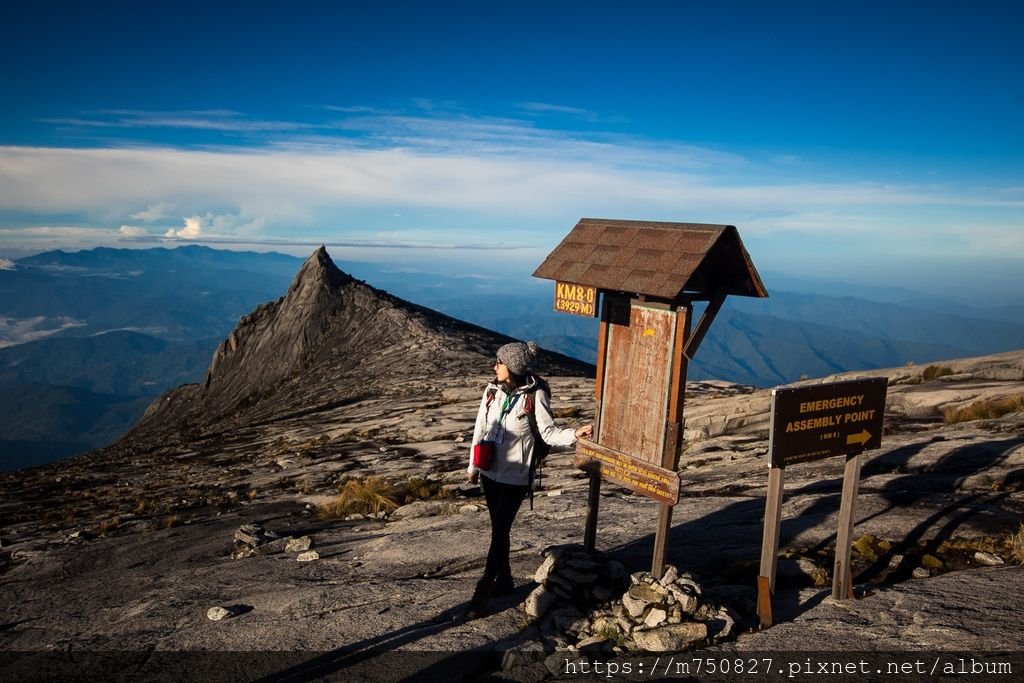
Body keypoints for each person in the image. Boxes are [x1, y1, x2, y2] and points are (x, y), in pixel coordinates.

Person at [465, 340, 593, 618]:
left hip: (515, 477)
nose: (494, 366)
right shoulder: (491, 391)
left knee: (499, 530)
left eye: (499, 362)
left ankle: (483, 592)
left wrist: (574, 435)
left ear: (511, 368)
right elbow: (480, 428)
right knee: (499, 530)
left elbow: (548, 433)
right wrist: (473, 465)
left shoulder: (534, 396)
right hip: (489, 472)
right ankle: (506, 581)